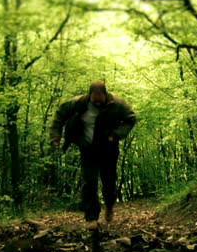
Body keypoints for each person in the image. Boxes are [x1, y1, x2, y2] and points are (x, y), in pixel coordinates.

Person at [49, 81, 137, 230]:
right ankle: (91, 218)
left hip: (109, 148)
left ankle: (109, 205)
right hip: (87, 148)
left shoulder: (118, 104)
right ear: (89, 95)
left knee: (109, 181)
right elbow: (59, 116)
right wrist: (55, 137)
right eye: (94, 99)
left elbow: (131, 119)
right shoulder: (77, 103)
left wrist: (116, 134)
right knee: (89, 182)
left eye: (100, 99)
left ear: (105, 95)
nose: (97, 102)